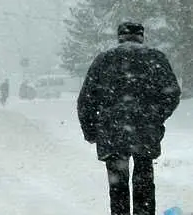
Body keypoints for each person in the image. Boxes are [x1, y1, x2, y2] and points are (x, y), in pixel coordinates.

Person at [77, 22, 181, 215]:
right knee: (144, 181)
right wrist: (156, 117)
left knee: (118, 186)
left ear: (120, 37)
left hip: (112, 132)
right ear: (141, 36)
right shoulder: (155, 58)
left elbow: (86, 100)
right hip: (145, 131)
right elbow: (172, 94)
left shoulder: (104, 59)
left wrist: (91, 131)